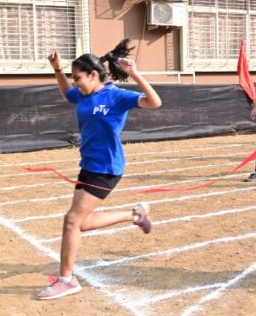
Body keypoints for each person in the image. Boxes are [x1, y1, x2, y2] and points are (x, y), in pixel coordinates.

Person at [36, 40, 163, 301]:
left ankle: (66, 280)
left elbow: (154, 102)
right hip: (89, 165)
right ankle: (135, 214)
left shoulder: (116, 96)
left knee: (71, 221)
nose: (75, 83)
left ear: (93, 75)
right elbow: (67, 93)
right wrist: (58, 70)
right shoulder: (82, 95)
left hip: (106, 167)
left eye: (78, 77)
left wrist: (135, 74)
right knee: (82, 223)